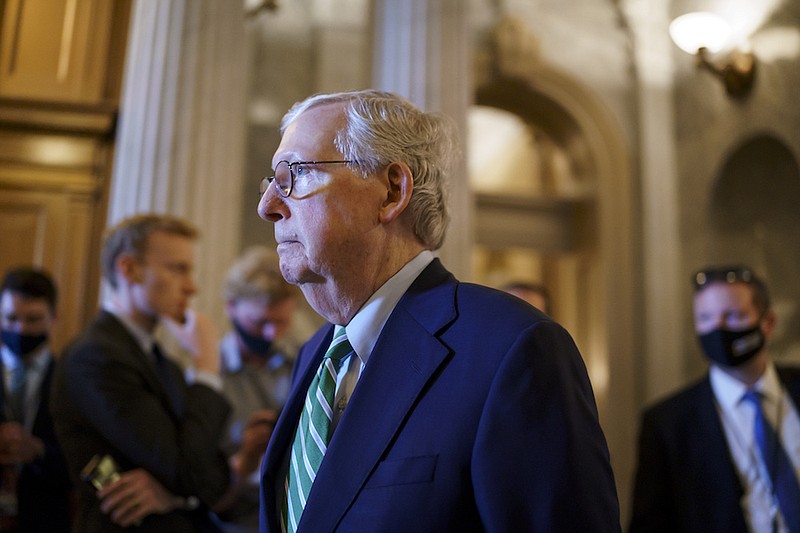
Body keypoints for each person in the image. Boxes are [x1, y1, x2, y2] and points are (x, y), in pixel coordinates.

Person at [256, 89, 620, 532]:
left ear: (392, 191)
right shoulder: (316, 355)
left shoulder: (512, 349)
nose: (268, 206)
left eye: (294, 174)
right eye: (271, 181)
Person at [50, 214, 233, 532]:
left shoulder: (162, 363)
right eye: (178, 269)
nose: (192, 287)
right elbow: (188, 470)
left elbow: (214, 476)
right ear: (129, 269)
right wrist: (206, 367)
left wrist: (176, 497)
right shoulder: (96, 356)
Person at [629, 265, 800, 533]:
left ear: (767, 324)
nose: (717, 328)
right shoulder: (668, 424)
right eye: (706, 318)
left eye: (733, 316)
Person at [214, 246, 298, 532]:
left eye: (280, 322)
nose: (272, 335)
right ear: (231, 306)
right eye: (259, 323)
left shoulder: (300, 360)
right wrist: (246, 459)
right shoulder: (208, 376)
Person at [0, 267, 72, 532]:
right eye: (10, 318)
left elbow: (86, 462)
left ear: (53, 318)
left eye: (33, 319)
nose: (20, 329)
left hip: (45, 520)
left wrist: (40, 452)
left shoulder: (73, 382)